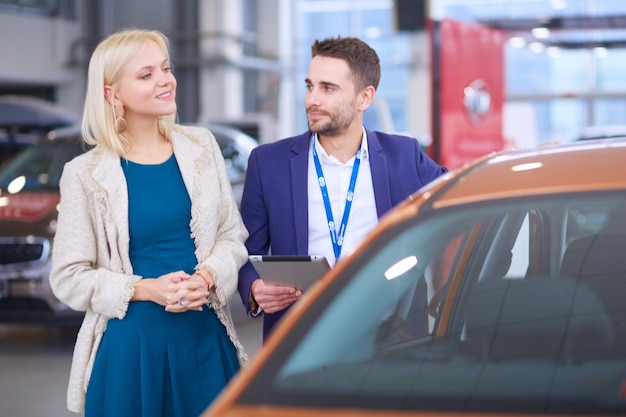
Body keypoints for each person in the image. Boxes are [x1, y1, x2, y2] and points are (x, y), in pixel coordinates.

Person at [49, 28, 249, 416]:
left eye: (166, 68)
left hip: (204, 339)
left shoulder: (201, 148)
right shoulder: (85, 174)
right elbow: (68, 276)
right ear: (112, 94)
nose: (165, 80)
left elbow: (231, 236)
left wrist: (206, 278)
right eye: (146, 75)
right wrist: (144, 289)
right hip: (130, 348)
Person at [237, 36, 448, 340]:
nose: (312, 100)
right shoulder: (269, 163)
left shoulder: (404, 157)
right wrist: (255, 289)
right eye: (310, 86)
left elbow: (462, 199)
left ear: (365, 97)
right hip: (299, 339)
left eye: (328, 88)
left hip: (391, 338)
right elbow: (244, 253)